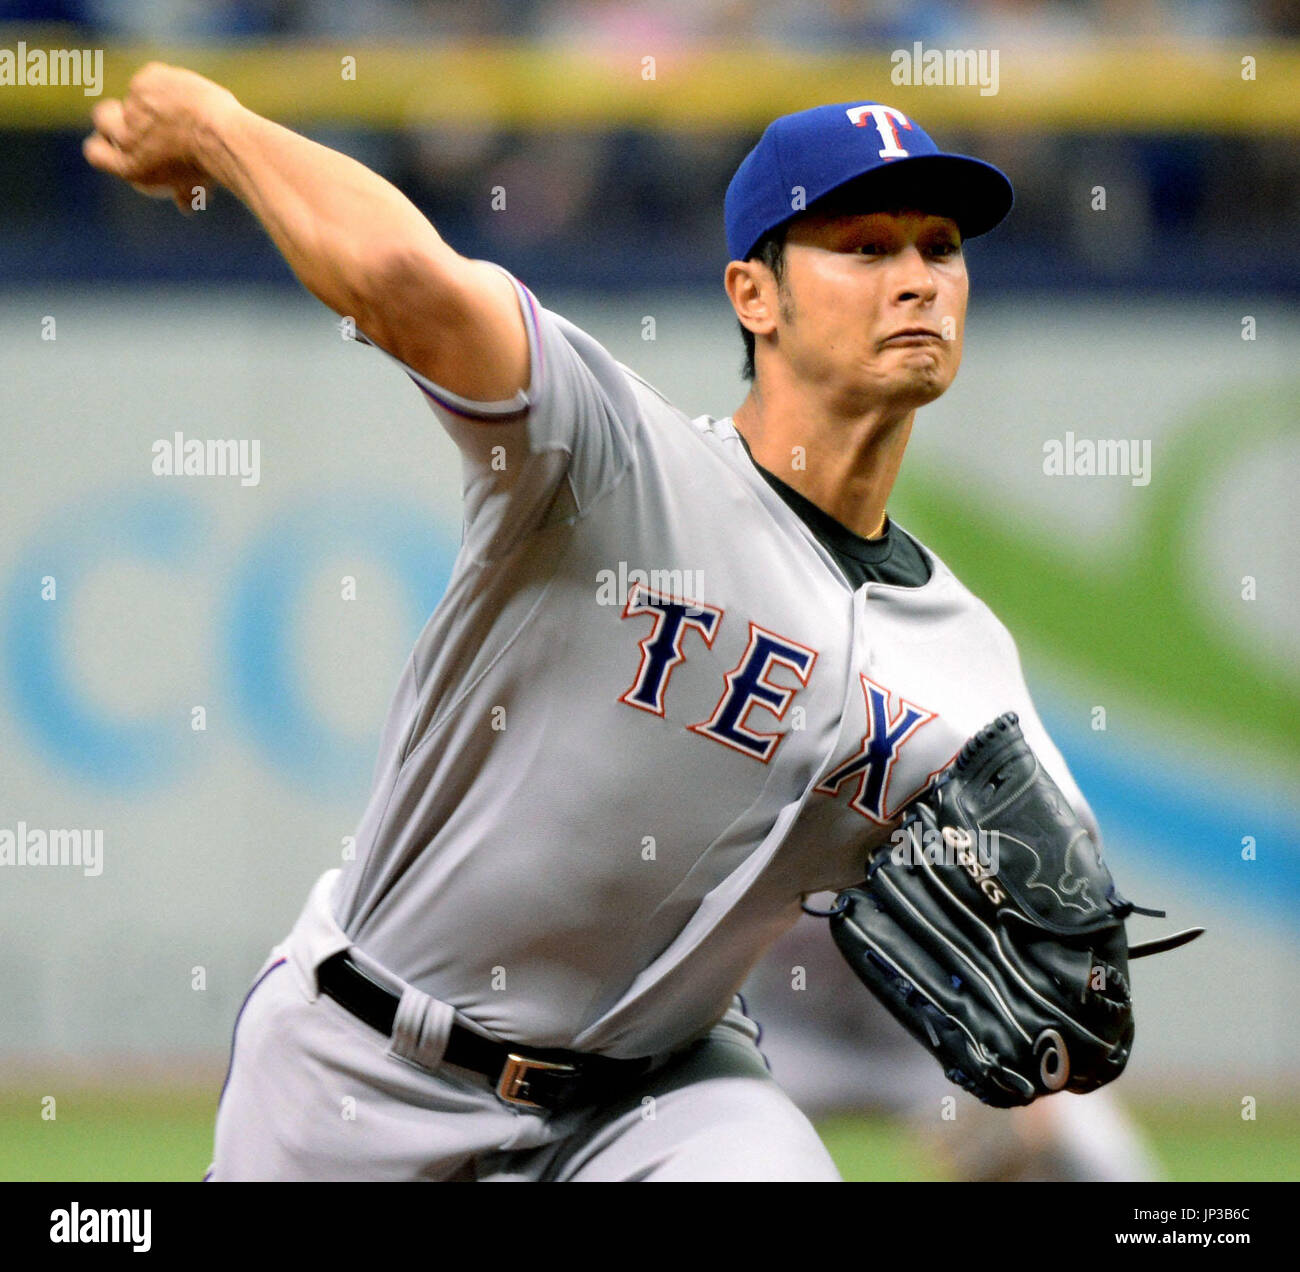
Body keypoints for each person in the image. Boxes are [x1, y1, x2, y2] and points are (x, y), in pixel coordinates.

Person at [85, 66, 1100, 1182]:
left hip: (659, 1100)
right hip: (360, 1065)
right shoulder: (613, 456)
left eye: (939, 248)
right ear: (752, 295)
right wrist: (222, 129)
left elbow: (1051, 946)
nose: (917, 280)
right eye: (865, 248)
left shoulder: (968, 663)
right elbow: (394, 276)